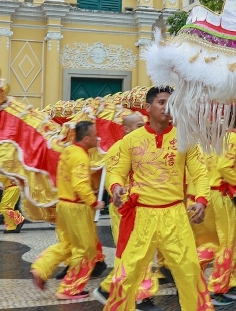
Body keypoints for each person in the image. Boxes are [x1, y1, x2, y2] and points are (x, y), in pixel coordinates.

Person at [98, 85, 211, 311]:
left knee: (189, 272)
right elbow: (117, 171)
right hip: (142, 216)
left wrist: (201, 199)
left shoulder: (185, 138)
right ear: (148, 107)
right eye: (161, 102)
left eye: (171, 103)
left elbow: (200, 172)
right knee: (126, 275)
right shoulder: (131, 140)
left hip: (175, 215)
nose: (167, 107)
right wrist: (116, 187)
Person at [32, 120, 103, 299]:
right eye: (95, 136)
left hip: (63, 204)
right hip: (77, 207)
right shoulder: (80, 156)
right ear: (86, 138)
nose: (98, 138)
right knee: (86, 250)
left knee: (68, 245)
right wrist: (94, 202)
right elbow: (80, 185)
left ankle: (41, 268)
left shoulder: (68, 151)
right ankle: (69, 289)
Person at [94, 112, 159, 307]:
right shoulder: (118, 149)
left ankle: (113, 290)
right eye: (139, 126)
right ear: (126, 129)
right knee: (134, 253)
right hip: (126, 209)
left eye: (144, 125)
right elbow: (114, 182)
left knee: (142, 253)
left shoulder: (144, 149)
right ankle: (135, 295)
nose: (144, 128)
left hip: (145, 207)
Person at [209, 105, 236, 304]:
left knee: (233, 240)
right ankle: (217, 288)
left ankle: (229, 283)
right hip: (224, 195)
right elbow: (224, 167)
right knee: (227, 242)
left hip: (217, 195)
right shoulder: (233, 138)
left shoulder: (218, 138)